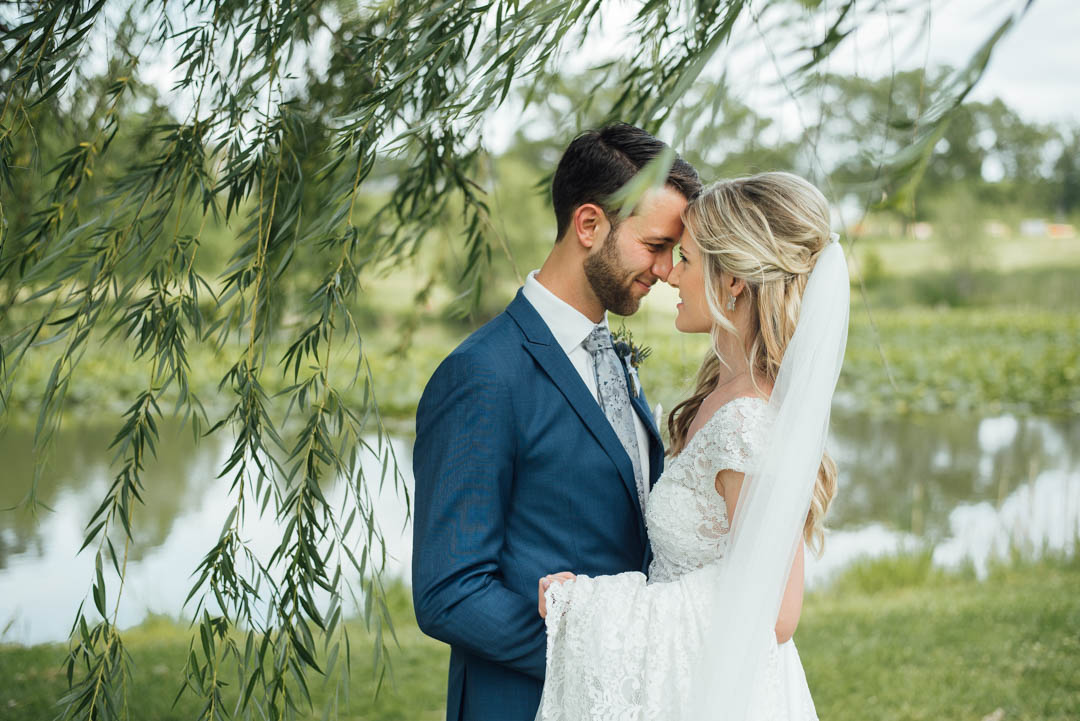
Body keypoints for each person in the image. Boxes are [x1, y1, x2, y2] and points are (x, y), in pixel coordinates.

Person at [411, 123, 702, 721]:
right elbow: (450, 593)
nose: (669, 269)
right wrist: (603, 659)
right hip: (525, 702)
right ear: (589, 225)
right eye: (654, 245)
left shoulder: (610, 355)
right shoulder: (483, 374)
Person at [536, 172, 850, 721]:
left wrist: (592, 607)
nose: (670, 274)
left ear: (732, 282)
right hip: (689, 682)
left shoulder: (749, 421)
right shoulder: (723, 390)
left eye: (686, 258)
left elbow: (776, 613)